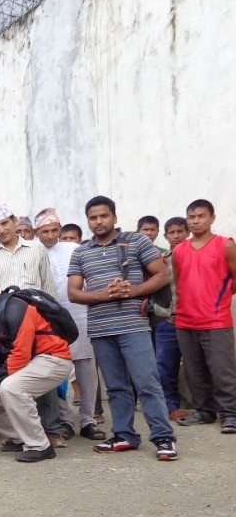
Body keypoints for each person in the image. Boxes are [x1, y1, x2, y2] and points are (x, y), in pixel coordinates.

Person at [67, 195, 178, 461]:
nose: (98, 221)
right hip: (101, 329)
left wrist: (133, 291)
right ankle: (125, 434)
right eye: (93, 218)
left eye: (104, 216)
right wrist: (106, 295)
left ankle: (164, 438)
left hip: (134, 326)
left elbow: (163, 274)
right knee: (116, 387)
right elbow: (73, 293)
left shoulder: (137, 241)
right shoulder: (81, 252)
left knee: (147, 383)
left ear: (114, 217)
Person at [0, 203, 67, 446]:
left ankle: (52, 429)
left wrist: (54, 321)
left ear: (14, 221)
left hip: (38, 323)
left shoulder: (36, 249)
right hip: (6, 327)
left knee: (42, 377)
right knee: (13, 375)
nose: (1, 229)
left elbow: (48, 288)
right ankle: (19, 433)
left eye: (4, 223)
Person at [0, 270, 73, 463]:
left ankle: (40, 446)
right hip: (31, 363)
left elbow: (21, 354)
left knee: (11, 388)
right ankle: (20, 438)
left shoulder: (15, 306)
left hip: (54, 359)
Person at [34, 207, 103, 440]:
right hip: (48, 320)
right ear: (37, 232)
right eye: (45, 231)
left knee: (86, 371)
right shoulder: (33, 252)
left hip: (80, 315)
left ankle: (88, 420)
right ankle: (64, 420)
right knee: (54, 373)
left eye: (54, 230)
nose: (50, 235)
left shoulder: (74, 249)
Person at [173, 199, 236, 432]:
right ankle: (205, 411)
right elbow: (180, 282)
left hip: (216, 320)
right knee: (194, 371)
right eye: (192, 217)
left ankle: (230, 413)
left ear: (212, 218)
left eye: (201, 216)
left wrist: (216, 300)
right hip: (185, 320)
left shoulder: (225, 245)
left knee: (223, 370)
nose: (196, 221)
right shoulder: (179, 250)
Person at [156, 216, 190, 420]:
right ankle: (170, 406)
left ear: (188, 233)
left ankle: (213, 407)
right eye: (172, 232)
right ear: (166, 236)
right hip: (168, 320)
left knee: (202, 365)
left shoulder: (197, 257)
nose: (176, 236)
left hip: (197, 319)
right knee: (165, 365)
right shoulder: (161, 261)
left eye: (180, 232)